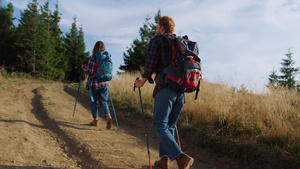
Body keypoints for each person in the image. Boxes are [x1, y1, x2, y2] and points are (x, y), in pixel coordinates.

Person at [134, 16, 194, 169]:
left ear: (162, 27)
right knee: (170, 126)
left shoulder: (157, 40)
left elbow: (150, 65)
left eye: (157, 26)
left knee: (160, 125)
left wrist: (141, 82)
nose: (156, 29)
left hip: (165, 88)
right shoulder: (180, 42)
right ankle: (163, 161)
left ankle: (180, 157)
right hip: (181, 90)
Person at [81, 41, 113, 129]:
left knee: (94, 102)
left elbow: (90, 72)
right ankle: (108, 116)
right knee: (103, 101)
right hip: (105, 83)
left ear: (95, 48)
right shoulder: (107, 56)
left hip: (95, 84)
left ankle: (95, 120)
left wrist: (83, 68)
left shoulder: (93, 57)